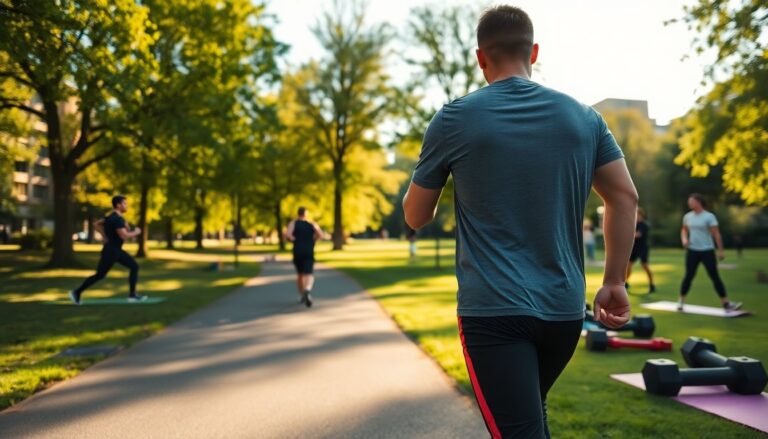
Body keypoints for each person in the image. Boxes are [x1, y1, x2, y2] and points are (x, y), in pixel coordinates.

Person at [403, 6, 637, 438]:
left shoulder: (453, 118)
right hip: (565, 313)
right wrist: (615, 281)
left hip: (494, 313)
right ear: (534, 51)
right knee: (531, 420)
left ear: (480, 58)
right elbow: (625, 198)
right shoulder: (585, 118)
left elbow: (416, 216)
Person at [69, 195, 147, 305]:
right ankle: (76, 292)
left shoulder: (110, 217)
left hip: (115, 250)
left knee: (134, 266)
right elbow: (124, 236)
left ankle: (132, 295)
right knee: (100, 275)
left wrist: (105, 236)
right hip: (111, 252)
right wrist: (137, 232)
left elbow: (96, 224)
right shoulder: (117, 219)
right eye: (124, 203)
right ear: (118, 205)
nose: (126, 206)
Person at [678, 193, 741, 311]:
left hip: (707, 251)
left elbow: (716, 234)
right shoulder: (687, 216)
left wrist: (720, 250)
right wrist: (684, 240)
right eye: (689, 201)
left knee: (715, 276)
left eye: (691, 201)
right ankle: (681, 302)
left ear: (698, 202)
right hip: (692, 251)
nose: (689, 203)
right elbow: (684, 230)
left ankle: (726, 303)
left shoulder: (709, 216)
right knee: (688, 276)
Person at [284, 207, 323, 307]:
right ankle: (307, 290)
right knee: (309, 273)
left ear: (298, 214)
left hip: (297, 251)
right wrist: (313, 239)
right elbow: (320, 235)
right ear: (306, 214)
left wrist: (295, 240)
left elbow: (288, 234)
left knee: (300, 274)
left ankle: (302, 295)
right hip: (308, 251)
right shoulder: (312, 224)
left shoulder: (293, 223)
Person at [626, 207, 655, 293]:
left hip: (643, 248)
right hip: (634, 247)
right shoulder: (633, 224)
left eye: (637, 214)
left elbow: (638, 235)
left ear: (641, 215)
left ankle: (651, 284)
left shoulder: (644, 224)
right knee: (628, 266)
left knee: (645, 266)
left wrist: (627, 234)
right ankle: (625, 283)